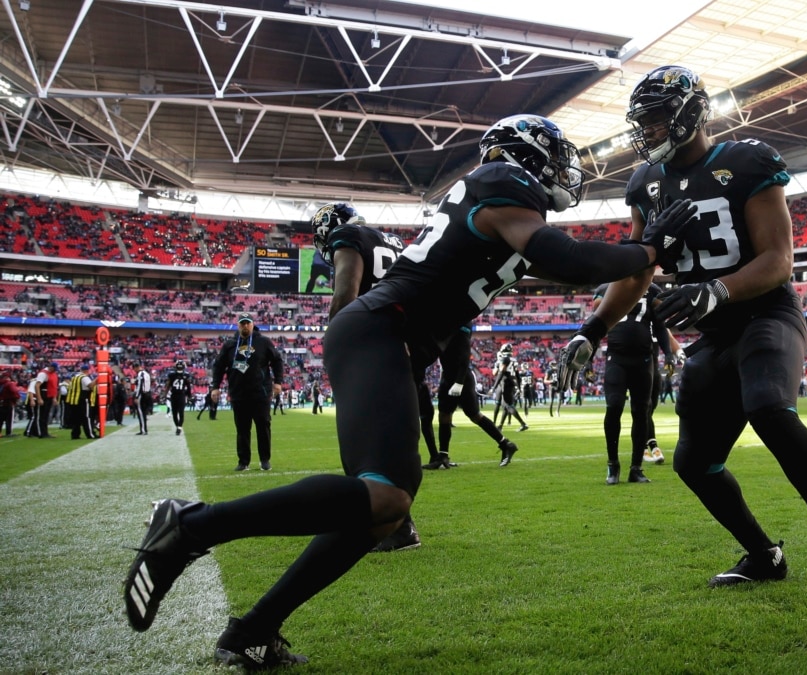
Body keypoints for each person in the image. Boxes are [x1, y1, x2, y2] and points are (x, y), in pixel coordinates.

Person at [122, 113, 692, 668]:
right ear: (527, 156)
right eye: (555, 156)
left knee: (381, 512)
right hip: (380, 330)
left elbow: (566, 263)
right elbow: (564, 258)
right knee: (387, 496)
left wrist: (630, 276)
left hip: (387, 338)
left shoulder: (500, 198)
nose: (563, 170)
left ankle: (252, 630)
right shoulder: (502, 185)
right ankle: (191, 526)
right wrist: (649, 249)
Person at [561, 67, 807, 641]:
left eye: (660, 115)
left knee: (768, 407)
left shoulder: (747, 161)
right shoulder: (646, 182)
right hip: (713, 334)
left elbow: (779, 260)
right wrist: (593, 328)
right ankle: (764, 555)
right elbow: (639, 268)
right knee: (691, 463)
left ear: (691, 112)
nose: (650, 128)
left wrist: (715, 289)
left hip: (764, 315)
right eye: (645, 119)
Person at [311, 200, 418, 553]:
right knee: (390, 441)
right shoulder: (394, 241)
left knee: (359, 444)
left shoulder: (348, 236)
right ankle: (397, 527)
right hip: (400, 345)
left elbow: (345, 294)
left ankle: (387, 526)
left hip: (367, 346)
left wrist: (336, 340)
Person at [591, 282, 675, 484]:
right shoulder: (606, 288)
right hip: (616, 358)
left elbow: (661, 325)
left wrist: (669, 355)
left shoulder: (653, 290)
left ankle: (636, 468)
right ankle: (613, 465)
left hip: (644, 360)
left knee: (642, 412)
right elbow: (596, 323)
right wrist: (588, 361)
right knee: (614, 406)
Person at [426, 326, 519, 469]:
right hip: (447, 375)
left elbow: (464, 358)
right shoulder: (444, 330)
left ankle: (506, 444)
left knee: (474, 415)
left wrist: (458, 383)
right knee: (444, 415)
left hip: (460, 377)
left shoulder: (461, 328)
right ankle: (443, 456)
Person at [209, 314, 284, 471]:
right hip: (238, 393)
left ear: (252, 324)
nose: (245, 326)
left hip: (261, 392)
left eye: (247, 323)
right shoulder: (229, 345)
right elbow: (219, 366)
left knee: (263, 427)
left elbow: (277, 360)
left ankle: (265, 460)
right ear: (238, 325)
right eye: (242, 323)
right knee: (242, 429)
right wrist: (215, 386)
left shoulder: (263, 342)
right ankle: (243, 462)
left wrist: (278, 382)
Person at [490, 343, 528, 433]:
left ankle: (523, 424)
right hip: (511, 382)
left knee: (507, 406)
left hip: (505, 383)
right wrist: (518, 388)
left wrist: (494, 387)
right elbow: (518, 375)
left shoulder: (504, 359)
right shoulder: (514, 360)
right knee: (506, 406)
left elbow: (501, 373)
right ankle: (500, 426)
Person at [64, 362, 97, 439]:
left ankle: (75, 434)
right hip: (83, 398)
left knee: (76, 418)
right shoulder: (84, 377)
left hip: (74, 400)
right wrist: (97, 380)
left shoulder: (74, 377)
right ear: (87, 371)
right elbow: (90, 386)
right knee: (87, 417)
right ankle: (90, 434)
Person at [25, 362, 58, 438]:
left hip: (49, 395)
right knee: (41, 416)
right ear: (51, 367)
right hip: (44, 395)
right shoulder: (43, 374)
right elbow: (37, 386)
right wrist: (39, 398)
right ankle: (40, 432)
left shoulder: (52, 374)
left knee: (45, 416)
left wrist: (54, 398)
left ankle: (44, 432)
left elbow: (53, 387)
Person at [166, 360, 193, 436]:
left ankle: (179, 427)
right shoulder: (185, 375)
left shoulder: (172, 375)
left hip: (176, 395)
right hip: (180, 395)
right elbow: (188, 387)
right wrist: (189, 396)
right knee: (179, 413)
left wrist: (165, 394)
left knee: (177, 413)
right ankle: (179, 427)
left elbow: (168, 386)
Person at [131, 362, 152, 435]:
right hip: (148, 393)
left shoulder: (140, 374)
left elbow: (139, 385)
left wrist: (136, 396)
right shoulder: (146, 373)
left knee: (141, 413)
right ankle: (144, 429)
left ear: (136, 367)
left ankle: (143, 429)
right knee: (144, 413)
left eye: (134, 369)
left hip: (142, 395)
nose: (134, 371)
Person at [0, 371, 19, 436]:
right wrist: (16, 399)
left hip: (1, 403)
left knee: (0, 419)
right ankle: (9, 432)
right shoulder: (9, 384)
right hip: (8, 403)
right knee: (9, 419)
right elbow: (14, 391)